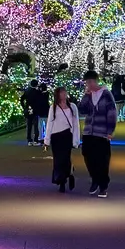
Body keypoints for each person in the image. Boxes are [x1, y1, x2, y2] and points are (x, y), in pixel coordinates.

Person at [76, 69, 116, 198]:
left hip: (102, 132)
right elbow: (82, 110)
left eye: (88, 82)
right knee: (87, 155)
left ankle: (103, 185)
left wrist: (110, 130)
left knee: (102, 159)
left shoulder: (106, 94)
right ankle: (95, 179)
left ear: (94, 81)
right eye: (86, 83)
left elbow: (112, 112)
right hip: (88, 131)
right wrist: (86, 96)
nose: (87, 85)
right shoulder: (89, 94)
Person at [44, 86, 80, 192]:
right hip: (56, 137)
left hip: (67, 136)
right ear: (57, 95)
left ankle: (69, 173)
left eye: (65, 92)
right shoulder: (53, 107)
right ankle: (61, 181)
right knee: (58, 160)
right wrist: (47, 140)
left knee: (66, 159)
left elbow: (76, 124)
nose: (64, 94)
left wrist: (76, 140)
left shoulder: (72, 107)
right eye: (61, 93)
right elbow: (49, 123)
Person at [21, 79, 41, 145]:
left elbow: (22, 99)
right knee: (36, 126)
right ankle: (35, 140)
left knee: (29, 125)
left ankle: (29, 140)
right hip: (35, 110)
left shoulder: (27, 91)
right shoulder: (37, 92)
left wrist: (24, 107)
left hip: (28, 109)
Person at [34, 82, 51, 147]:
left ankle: (41, 139)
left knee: (40, 126)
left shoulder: (39, 94)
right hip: (46, 112)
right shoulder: (47, 94)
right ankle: (47, 139)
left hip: (40, 112)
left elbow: (37, 92)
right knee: (47, 126)